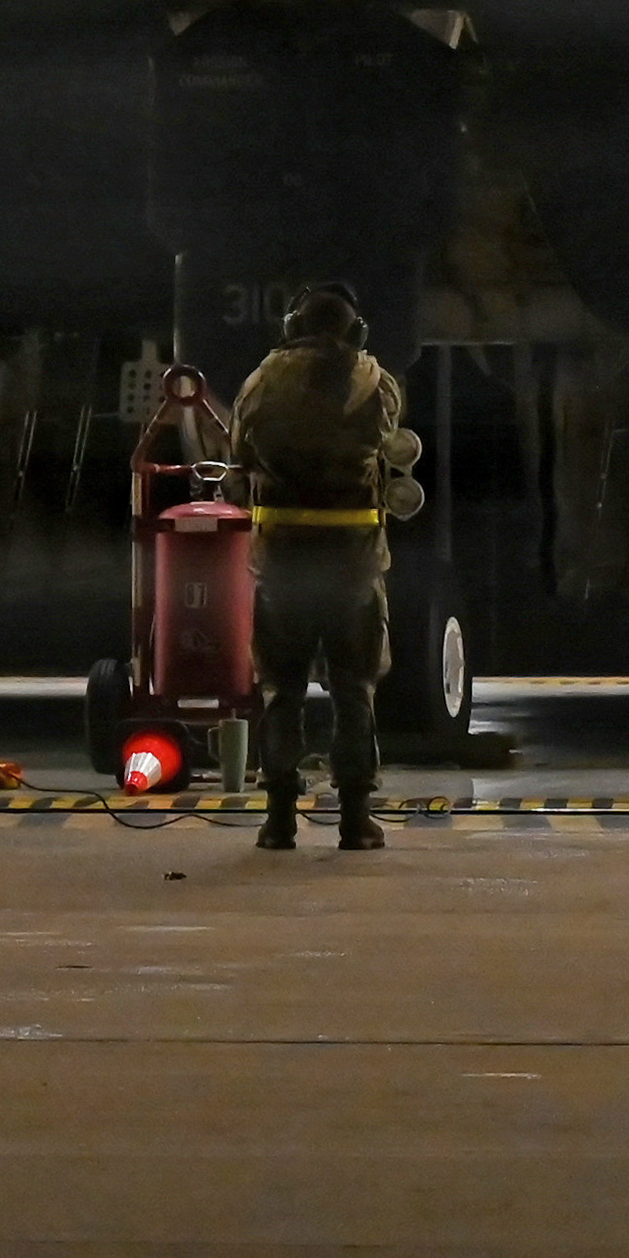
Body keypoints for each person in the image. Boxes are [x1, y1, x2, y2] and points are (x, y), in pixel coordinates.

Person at [228, 283, 422, 851]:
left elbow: (240, 452)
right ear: (354, 332)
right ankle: (356, 821)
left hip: (283, 562)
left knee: (280, 691)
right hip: (352, 565)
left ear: (292, 328)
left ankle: (279, 821)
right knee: (354, 690)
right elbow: (387, 438)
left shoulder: (261, 381)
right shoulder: (373, 380)